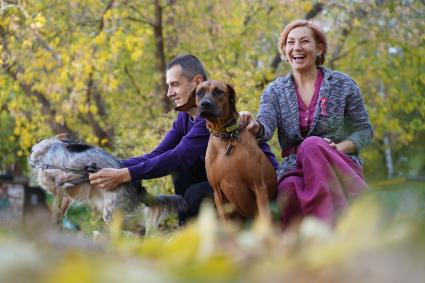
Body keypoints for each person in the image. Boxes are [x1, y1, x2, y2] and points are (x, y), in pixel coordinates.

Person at [89, 54, 278, 223]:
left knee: (191, 191)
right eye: (168, 86)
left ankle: (211, 235)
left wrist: (123, 175)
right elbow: (158, 154)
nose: (169, 93)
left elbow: (177, 157)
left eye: (174, 84)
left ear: (196, 81)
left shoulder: (214, 121)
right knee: (181, 173)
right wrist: (111, 165)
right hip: (222, 182)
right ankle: (188, 231)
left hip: (256, 188)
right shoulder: (185, 116)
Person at [241, 20, 373, 227]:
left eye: (304, 42)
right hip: (294, 168)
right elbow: (264, 127)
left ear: (319, 48)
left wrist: (340, 148)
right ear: (284, 51)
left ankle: (337, 229)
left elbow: (364, 130)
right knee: (289, 189)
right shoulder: (275, 91)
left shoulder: (343, 84)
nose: (296, 48)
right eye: (290, 43)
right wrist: (253, 125)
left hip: (335, 163)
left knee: (311, 145)